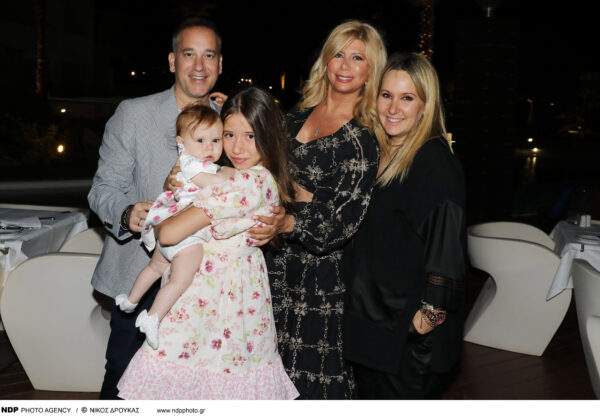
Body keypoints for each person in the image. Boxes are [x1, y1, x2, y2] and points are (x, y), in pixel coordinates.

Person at [116, 87, 299, 400]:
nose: (237, 147)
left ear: (269, 135)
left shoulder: (246, 182)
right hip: (217, 295)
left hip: (218, 298)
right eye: (229, 134)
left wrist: (168, 210)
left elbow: (168, 234)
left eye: (250, 136)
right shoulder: (246, 175)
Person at [87, 17, 224, 399]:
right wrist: (127, 212)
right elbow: (102, 189)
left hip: (206, 278)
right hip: (141, 270)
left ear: (220, 64)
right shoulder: (134, 114)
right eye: (189, 54)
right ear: (172, 61)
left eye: (209, 55)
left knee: (192, 385)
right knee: (124, 381)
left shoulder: (229, 120)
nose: (199, 66)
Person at [256, 20, 387, 399]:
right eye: (338, 55)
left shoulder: (362, 139)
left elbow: (337, 224)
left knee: (310, 385)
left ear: (371, 71)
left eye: (358, 58)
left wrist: (289, 214)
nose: (345, 66)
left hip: (316, 286)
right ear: (325, 61)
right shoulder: (293, 117)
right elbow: (257, 170)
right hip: (267, 268)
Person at [342, 52, 467, 399]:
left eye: (407, 98)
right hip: (375, 326)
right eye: (387, 95)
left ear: (426, 105)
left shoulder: (435, 163)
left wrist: (422, 324)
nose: (393, 108)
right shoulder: (382, 151)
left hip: (407, 343)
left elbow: (448, 255)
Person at [114, 104, 236, 350]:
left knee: (155, 267)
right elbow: (214, 183)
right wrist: (233, 175)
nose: (209, 147)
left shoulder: (190, 163)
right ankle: (153, 317)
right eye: (200, 140)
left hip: (167, 233)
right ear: (181, 142)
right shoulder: (191, 165)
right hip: (185, 236)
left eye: (215, 140)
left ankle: (131, 299)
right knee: (180, 280)